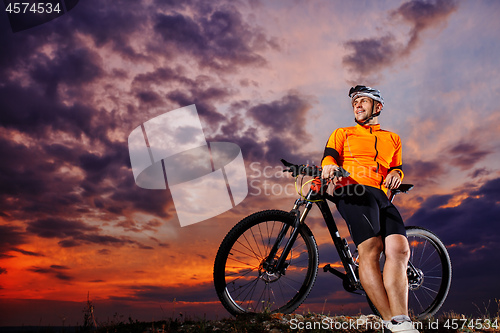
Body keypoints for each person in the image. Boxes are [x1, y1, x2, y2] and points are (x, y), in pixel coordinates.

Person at [321, 85, 418, 333]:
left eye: (363, 101)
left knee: (399, 249)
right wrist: (330, 166)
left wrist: (396, 173)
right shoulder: (343, 133)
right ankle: (390, 321)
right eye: (354, 103)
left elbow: (396, 166)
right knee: (371, 248)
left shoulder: (393, 138)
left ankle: (402, 321)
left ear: (378, 107)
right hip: (352, 188)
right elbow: (330, 156)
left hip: (381, 195)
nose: (357, 106)